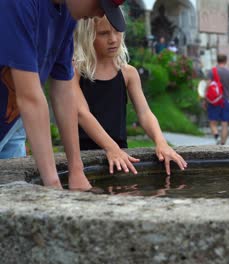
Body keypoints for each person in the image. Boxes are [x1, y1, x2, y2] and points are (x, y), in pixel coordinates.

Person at [0, 0, 126, 191]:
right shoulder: (19, 4)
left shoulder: (67, 15)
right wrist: (53, 186)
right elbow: (30, 98)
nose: (100, 15)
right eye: (101, 5)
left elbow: (63, 91)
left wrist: (76, 169)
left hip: (11, 124)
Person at [73, 15, 187, 176]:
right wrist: (110, 148)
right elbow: (81, 113)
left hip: (121, 152)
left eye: (117, 31)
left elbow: (144, 113)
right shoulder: (76, 72)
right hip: (83, 154)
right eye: (103, 33)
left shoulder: (128, 73)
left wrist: (161, 142)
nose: (113, 39)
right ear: (87, 35)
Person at [204, 54, 229, 145]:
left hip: (215, 101)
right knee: (225, 124)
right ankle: (223, 145)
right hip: (226, 101)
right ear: (225, 61)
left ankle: (217, 136)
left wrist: (205, 100)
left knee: (213, 122)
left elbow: (207, 86)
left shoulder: (211, 72)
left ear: (217, 60)